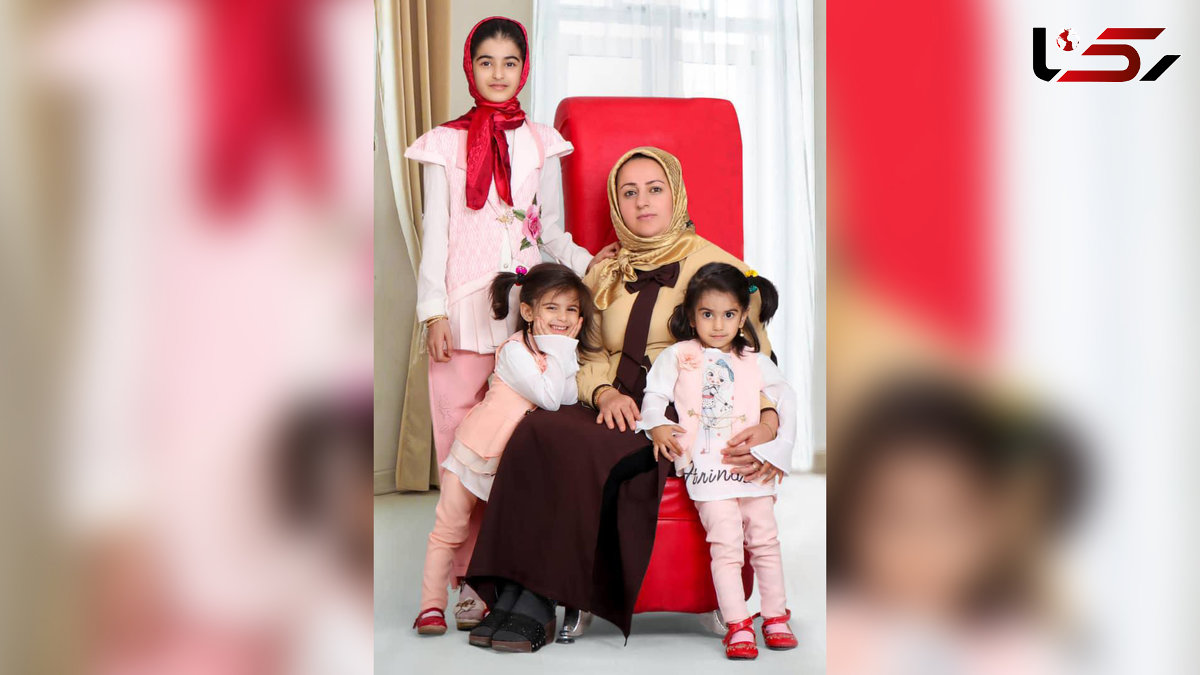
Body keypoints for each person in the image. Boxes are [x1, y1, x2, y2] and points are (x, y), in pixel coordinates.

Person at [465, 147, 782, 653]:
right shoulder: (607, 270)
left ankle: (541, 597)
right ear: (617, 204)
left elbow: (753, 362)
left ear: (676, 194)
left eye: (654, 189)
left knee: (579, 448)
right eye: (628, 193)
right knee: (535, 431)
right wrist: (604, 391)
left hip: (672, 415)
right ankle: (510, 589)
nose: (642, 202)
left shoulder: (720, 269)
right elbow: (584, 352)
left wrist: (767, 424)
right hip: (607, 403)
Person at [402, 15, 616, 628]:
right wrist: (432, 313)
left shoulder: (542, 143)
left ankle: (500, 572)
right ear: (469, 68)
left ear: (525, 69)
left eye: (511, 62)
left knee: (511, 449)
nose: (498, 73)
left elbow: (549, 233)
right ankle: (463, 581)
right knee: (459, 451)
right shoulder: (443, 143)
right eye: (486, 61)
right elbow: (436, 235)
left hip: (522, 315)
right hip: (460, 315)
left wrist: (592, 264)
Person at [412, 264, 596, 637]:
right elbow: (548, 399)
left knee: (502, 530)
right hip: (474, 452)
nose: (562, 318)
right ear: (527, 311)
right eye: (551, 308)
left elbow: (566, 397)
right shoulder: (514, 351)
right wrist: (560, 350)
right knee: (449, 529)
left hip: (507, 464)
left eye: (571, 310)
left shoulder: (558, 352)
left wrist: (563, 351)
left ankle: (495, 597)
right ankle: (430, 606)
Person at [639, 262, 798, 660]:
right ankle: (738, 623)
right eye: (707, 314)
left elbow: (786, 397)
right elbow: (654, 395)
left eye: (729, 314)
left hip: (752, 468)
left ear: (743, 318)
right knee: (726, 544)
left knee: (765, 541)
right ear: (692, 316)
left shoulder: (754, 359)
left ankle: (775, 616)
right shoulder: (679, 356)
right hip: (708, 471)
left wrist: (776, 444)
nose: (718, 324)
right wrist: (657, 425)